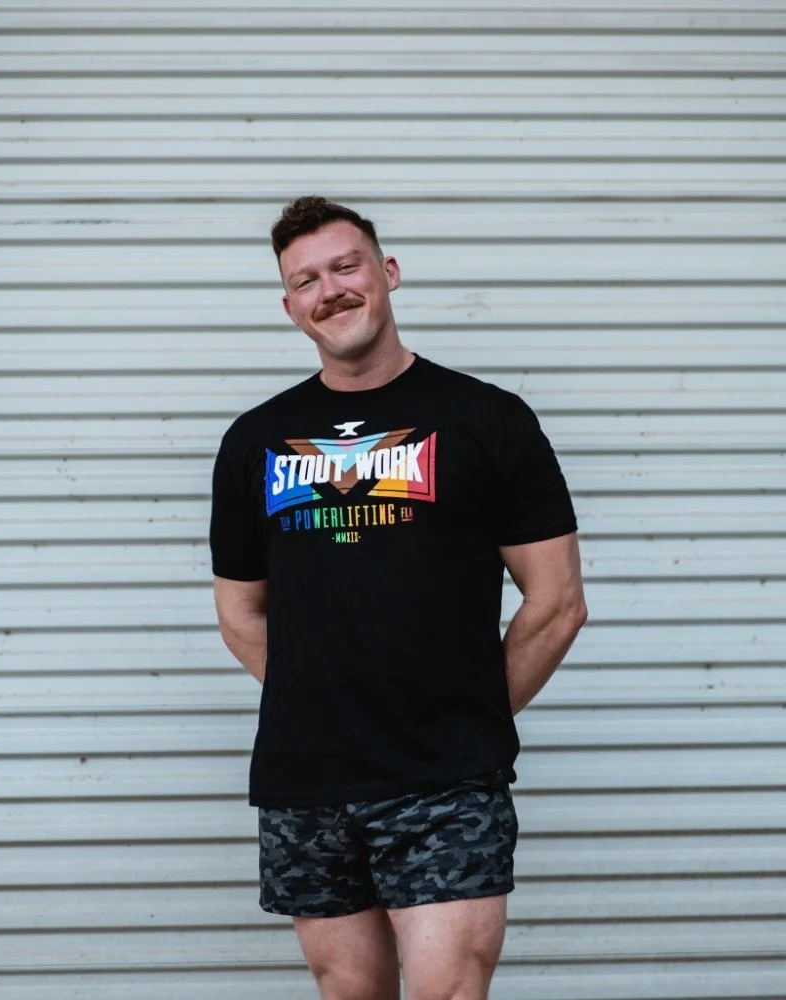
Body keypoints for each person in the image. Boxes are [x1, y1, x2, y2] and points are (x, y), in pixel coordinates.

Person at [209, 196, 587, 1000]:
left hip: (445, 783)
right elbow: (240, 612)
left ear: (387, 273)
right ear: (289, 308)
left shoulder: (488, 420)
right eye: (305, 280)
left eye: (346, 266)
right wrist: (325, 710)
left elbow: (555, 603)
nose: (330, 290)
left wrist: (460, 721)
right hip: (304, 782)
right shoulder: (254, 440)